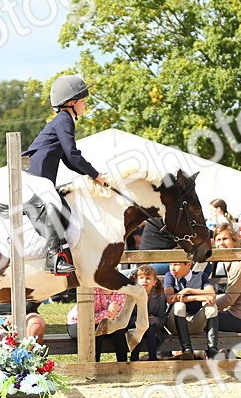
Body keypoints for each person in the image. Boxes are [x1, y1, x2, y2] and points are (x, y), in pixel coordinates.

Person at [22, 74, 109, 274]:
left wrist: (90, 175)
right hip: (34, 174)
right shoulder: (64, 120)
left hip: (36, 173)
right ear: (72, 102)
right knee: (55, 203)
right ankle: (54, 258)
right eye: (84, 100)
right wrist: (96, 175)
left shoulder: (63, 120)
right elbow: (72, 154)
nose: (85, 104)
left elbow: (69, 160)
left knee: (60, 202)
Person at [164, 259, 219, 359]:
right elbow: (170, 299)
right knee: (179, 305)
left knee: (212, 307)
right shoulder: (170, 276)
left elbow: (211, 294)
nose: (172, 268)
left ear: (188, 264)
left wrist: (188, 290)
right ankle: (187, 349)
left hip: (195, 323)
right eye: (170, 264)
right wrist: (197, 297)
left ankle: (212, 349)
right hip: (175, 324)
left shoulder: (201, 275)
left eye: (176, 264)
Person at [66, 288, 129, 362]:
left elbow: (120, 317)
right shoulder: (92, 292)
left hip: (107, 324)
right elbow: (85, 317)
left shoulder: (120, 294)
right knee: (97, 330)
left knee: (120, 330)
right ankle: (94, 364)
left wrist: (113, 315)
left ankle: (123, 366)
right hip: (78, 324)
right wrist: (107, 313)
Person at [126, 264, 167, 362]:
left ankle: (153, 358)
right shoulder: (131, 296)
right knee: (139, 328)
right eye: (141, 278)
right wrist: (139, 319)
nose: (144, 281)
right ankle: (134, 359)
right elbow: (126, 316)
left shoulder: (160, 297)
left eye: (148, 278)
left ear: (154, 282)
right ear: (136, 280)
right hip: (134, 326)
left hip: (153, 329)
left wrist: (152, 319)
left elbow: (163, 318)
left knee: (150, 329)